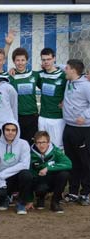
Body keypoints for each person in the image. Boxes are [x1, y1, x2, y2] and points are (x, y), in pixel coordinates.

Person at [62, 59, 90, 205]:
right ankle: (73, 192)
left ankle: (86, 193)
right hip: (69, 127)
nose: (64, 69)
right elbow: (58, 66)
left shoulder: (86, 86)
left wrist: (84, 116)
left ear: (73, 70)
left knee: (85, 162)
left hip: (83, 130)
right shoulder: (70, 81)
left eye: (67, 68)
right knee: (72, 161)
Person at [0, 122, 33, 215]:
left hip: (18, 177)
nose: (10, 132)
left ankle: (21, 203)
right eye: (7, 130)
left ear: (17, 131)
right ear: (3, 131)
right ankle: (5, 199)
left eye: (13, 130)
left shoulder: (24, 144)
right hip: (2, 179)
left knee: (27, 175)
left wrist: (4, 173)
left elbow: (24, 165)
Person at [30, 131, 71, 213]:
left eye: (44, 142)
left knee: (64, 174)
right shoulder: (30, 153)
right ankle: (40, 198)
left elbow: (68, 164)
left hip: (52, 180)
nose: (41, 145)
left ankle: (55, 202)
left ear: (48, 142)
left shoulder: (56, 151)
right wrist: (29, 199)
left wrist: (48, 168)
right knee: (37, 183)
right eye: (38, 142)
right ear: (35, 143)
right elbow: (27, 172)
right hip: (38, 181)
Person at [8, 48, 40, 145]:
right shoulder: (10, 77)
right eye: (17, 60)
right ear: (14, 61)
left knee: (32, 144)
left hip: (32, 116)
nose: (20, 63)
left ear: (27, 60)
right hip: (17, 116)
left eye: (22, 60)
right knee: (18, 143)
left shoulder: (35, 75)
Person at [37, 48, 67, 149]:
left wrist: (65, 101)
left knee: (56, 147)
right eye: (43, 60)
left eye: (48, 59)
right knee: (42, 146)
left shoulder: (63, 76)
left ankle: (57, 165)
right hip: (42, 116)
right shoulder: (40, 75)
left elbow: (71, 92)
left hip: (57, 118)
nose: (46, 62)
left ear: (54, 58)